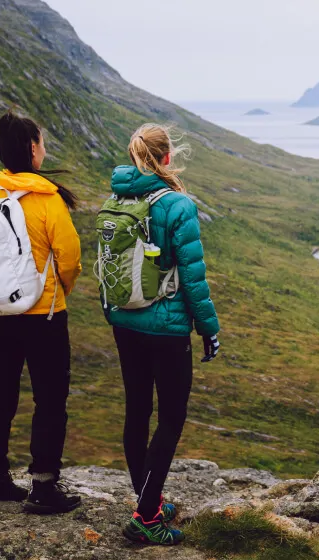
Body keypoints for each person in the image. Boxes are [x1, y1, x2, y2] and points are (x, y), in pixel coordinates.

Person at [105, 123, 221, 545]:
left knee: (137, 411)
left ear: (134, 156)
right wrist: (208, 329)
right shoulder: (177, 205)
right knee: (171, 418)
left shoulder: (116, 199)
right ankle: (146, 518)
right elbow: (192, 277)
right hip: (167, 329)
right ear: (167, 158)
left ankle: (148, 502)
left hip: (125, 322)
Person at [0, 111, 83, 514]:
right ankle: (43, 486)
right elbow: (69, 257)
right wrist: (59, 292)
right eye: (43, 142)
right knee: (50, 399)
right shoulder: (48, 200)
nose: (45, 149)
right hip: (43, 316)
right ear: (33, 148)